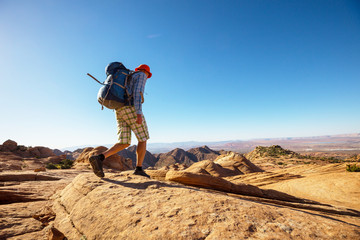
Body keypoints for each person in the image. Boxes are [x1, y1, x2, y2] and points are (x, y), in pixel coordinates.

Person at [89, 64, 152, 178]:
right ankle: (138, 168)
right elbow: (137, 93)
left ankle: (99, 158)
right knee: (143, 139)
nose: (147, 77)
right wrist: (138, 113)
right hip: (131, 109)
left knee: (124, 142)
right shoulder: (141, 75)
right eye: (148, 74)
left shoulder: (129, 76)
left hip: (119, 109)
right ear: (146, 72)